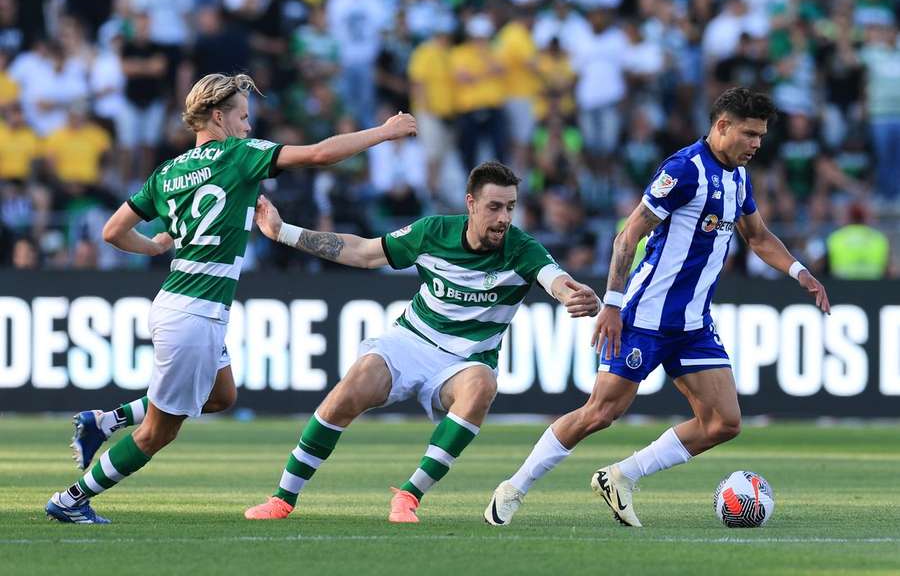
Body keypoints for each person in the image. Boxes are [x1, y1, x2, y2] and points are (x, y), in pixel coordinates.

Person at [45, 72, 417, 524]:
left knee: (222, 395)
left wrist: (157, 245)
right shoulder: (239, 156)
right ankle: (72, 498)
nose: (248, 127)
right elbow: (319, 154)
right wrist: (385, 132)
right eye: (243, 117)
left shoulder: (167, 171)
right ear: (218, 117)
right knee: (156, 434)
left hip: (177, 301)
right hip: (195, 314)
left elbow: (112, 232)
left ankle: (102, 422)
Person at [484, 87, 831, 527]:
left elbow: (758, 237)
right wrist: (612, 305)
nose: (756, 144)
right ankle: (513, 488)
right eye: (749, 134)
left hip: (693, 324)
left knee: (723, 423)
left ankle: (621, 477)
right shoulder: (684, 170)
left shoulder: (739, 178)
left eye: (761, 136)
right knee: (601, 413)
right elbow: (628, 235)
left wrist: (800, 271)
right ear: (721, 126)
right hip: (646, 317)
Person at [244, 161, 599, 524]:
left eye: (510, 207)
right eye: (494, 206)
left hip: (465, 361)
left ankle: (409, 495)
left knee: (482, 385)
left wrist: (573, 295)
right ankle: (283, 497)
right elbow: (365, 253)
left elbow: (556, 279)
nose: (504, 218)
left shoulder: (522, 249)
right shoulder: (433, 232)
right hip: (411, 341)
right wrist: (282, 232)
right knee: (354, 384)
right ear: (471, 203)